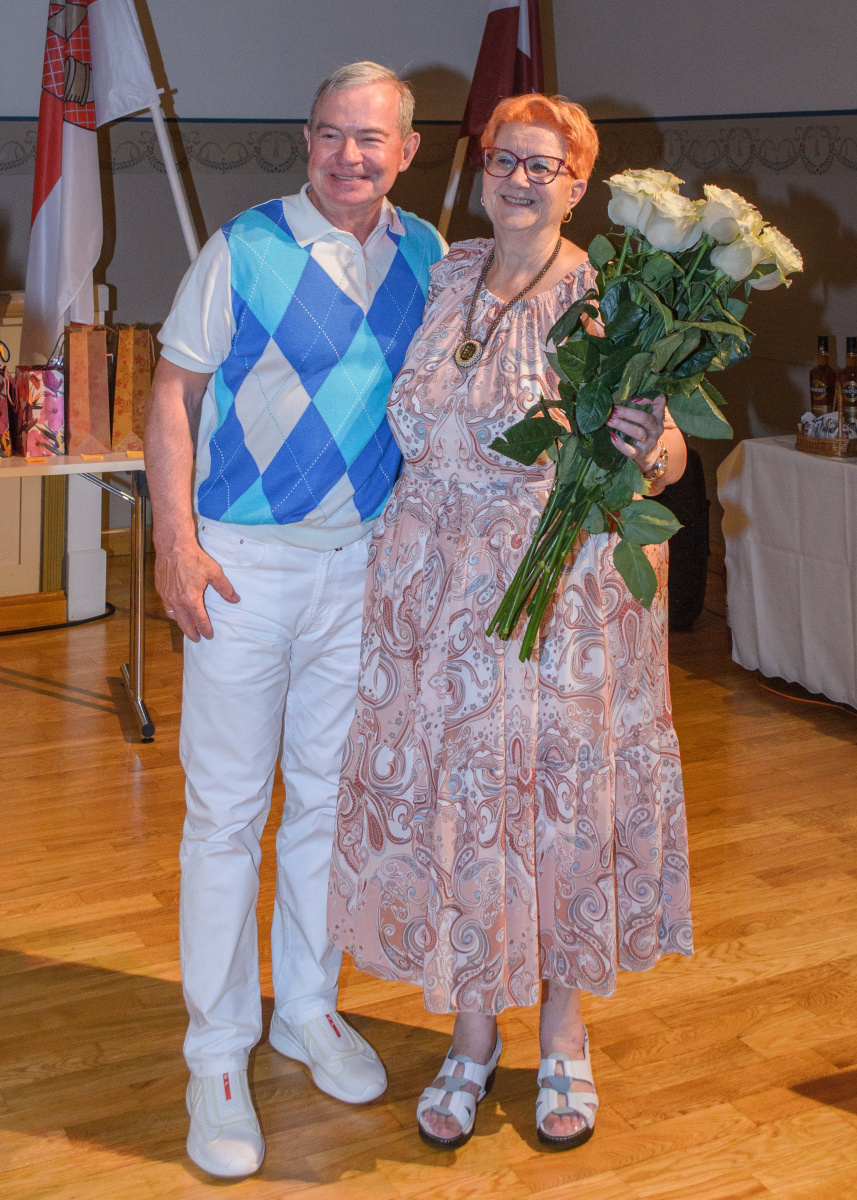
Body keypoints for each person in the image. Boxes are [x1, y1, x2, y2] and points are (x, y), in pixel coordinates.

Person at [327, 94, 692, 1151]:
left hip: (555, 598)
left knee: (556, 803)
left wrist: (647, 445)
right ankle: (472, 1033)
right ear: (482, 169)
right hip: (433, 596)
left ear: (578, 186)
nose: (520, 179)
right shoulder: (446, 274)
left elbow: (669, 456)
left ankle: (564, 1039)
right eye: (504, 159)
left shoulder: (608, 301)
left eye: (544, 165)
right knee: (464, 805)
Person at [145, 62, 445, 1178]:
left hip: (359, 568)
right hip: (242, 566)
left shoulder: (427, 255)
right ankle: (215, 1050)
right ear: (305, 139)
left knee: (327, 802)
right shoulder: (244, 247)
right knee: (225, 815)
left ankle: (305, 1008)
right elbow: (171, 396)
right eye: (328, 135)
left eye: (369, 139)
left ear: (406, 150)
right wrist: (175, 543)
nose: (347, 157)